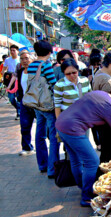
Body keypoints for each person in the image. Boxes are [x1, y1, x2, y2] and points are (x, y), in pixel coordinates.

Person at [55, 89, 111, 207]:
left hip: (61, 123)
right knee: (92, 161)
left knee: (75, 159)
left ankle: (83, 186)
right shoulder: (110, 108)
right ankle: (87, 196)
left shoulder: (100, 93)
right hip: (72, 128)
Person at [28, 40, 59, 178]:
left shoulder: (31, 65)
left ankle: (42, 165)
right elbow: (54, 84)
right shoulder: (46, 65)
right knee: (53, 136)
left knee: (39, 134)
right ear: (49, 52)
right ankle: (53, 169)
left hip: (36, 103)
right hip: (47, 105)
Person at [15, 50, 36, 156]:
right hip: (24, 102)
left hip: (37, 103)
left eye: (26, 58)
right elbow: (20, 86)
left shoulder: (36, 71)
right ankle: (27, 147)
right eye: (22, 58)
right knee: (24, 126)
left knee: (43, 127)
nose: (24, 61)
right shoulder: (21, 72)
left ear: (31, 59)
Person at [2, 45, 20, 120]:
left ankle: (19, 113)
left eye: (14, 50)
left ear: (17, 51)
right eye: (11, 50)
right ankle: (18, 109)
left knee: (19, 98)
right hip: (10, 82)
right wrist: (4, 76)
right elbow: (4, 70)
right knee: (11, 98)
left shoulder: (20, 59)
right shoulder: (7, 60)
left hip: (19, 81)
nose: (12, 52)